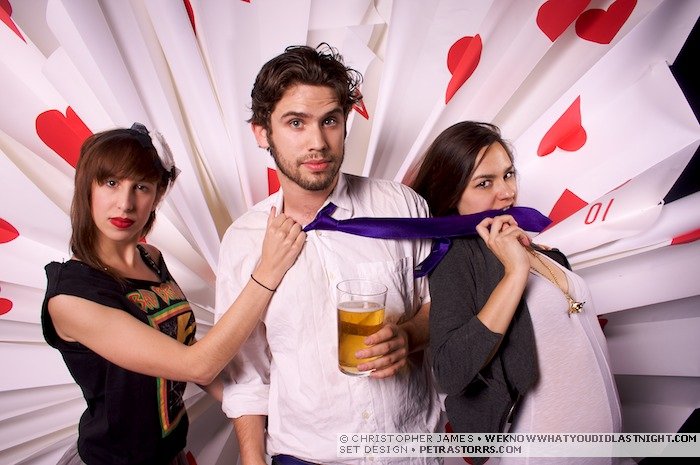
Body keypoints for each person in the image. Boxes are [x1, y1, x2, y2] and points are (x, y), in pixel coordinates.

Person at [215, 44, 442, 465]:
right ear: (262, 133)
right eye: (295, 123)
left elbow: (440, 303)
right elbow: (247, 372)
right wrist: (251, 457)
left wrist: (409, 335)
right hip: (306, 455)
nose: (317, 142)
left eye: (330, 121)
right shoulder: (243, 240)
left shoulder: (401, 206)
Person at [41, 124, 305, 465]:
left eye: (141, 187)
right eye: (111, 183)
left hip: (171, 453)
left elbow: (179, 345)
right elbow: (196, 366)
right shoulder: (71, 297)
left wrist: (265, 410)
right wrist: (267, 273)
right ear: (86, 188)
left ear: (157, 196)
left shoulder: (150, 258)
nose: (125, 203)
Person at [412, 121, 622, 464]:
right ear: (451, 194)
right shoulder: (457, 259)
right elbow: (449, 370)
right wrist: (515, 273)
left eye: (508, 175)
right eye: (484, 183)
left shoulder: (535, 247)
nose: (506, 192)